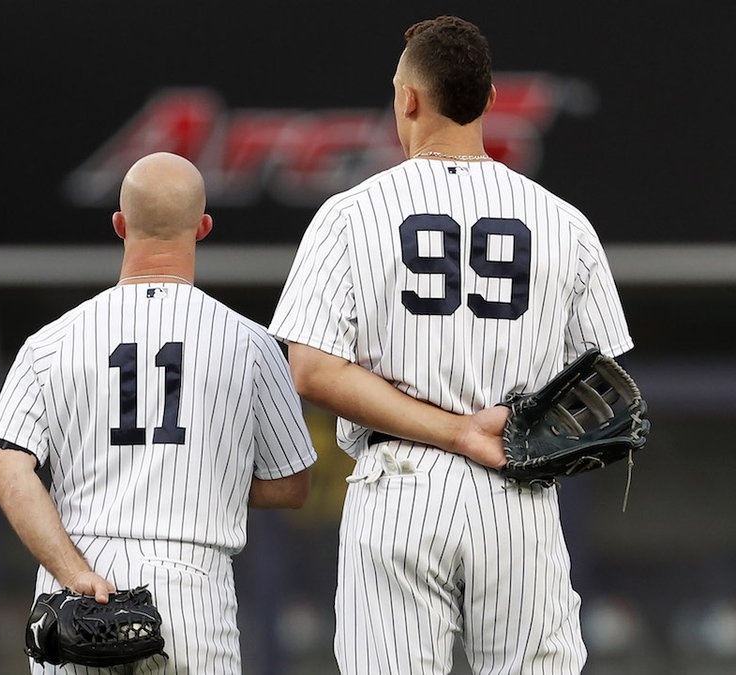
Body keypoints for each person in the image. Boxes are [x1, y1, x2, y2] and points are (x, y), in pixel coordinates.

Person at [269, 16, 633, 674]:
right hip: (515, 481)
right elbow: (605, 379)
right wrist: (499, 426)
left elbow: (313, 369)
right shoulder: (562, 220)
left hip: (401, 484)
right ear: (490, 101)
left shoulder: (352, 212)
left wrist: (452, 429)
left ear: (408, 98)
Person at [0, 152, 317, 673]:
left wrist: (73, 573)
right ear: (204, 227)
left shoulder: (51, 342)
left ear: (120, 224)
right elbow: (292, 484)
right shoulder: (250, 344)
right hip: (192, 584)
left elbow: (4, 464)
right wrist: (202, 475)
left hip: (78, 575)